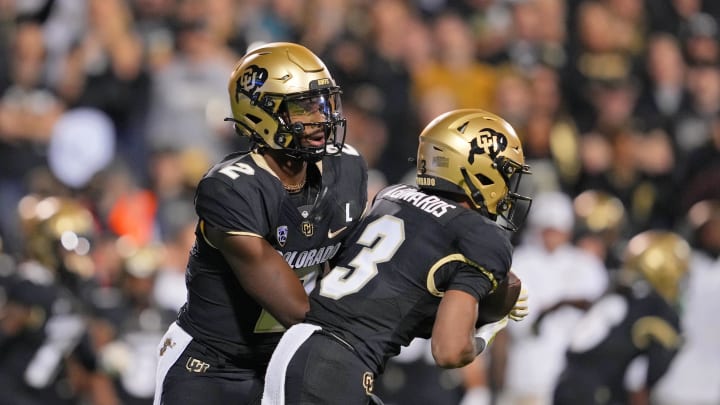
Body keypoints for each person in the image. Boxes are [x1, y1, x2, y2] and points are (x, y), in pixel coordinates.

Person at [262, 108, 533, 405]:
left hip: (307, 350)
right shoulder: (481, 237)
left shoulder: (391, 196)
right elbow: (449, 350)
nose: (508, 188)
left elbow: (394, 304)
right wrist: (486, 332)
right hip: (335, 367)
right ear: (479, 169)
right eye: (505, 173)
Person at [153, 42, 368, 405]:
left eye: (323, 103)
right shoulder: (232, 188)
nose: (320, 118)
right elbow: (294, 308)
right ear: (260, 112)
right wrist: (370, 334)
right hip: (211, 367)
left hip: (289, 357)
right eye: (303, 106)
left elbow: (351, 277)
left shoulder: (345, 168)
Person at [553, 230, 691, 405]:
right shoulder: (654, 307)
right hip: (600, 393)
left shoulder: (617, 291)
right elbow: (649, 373)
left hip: (567, 384)